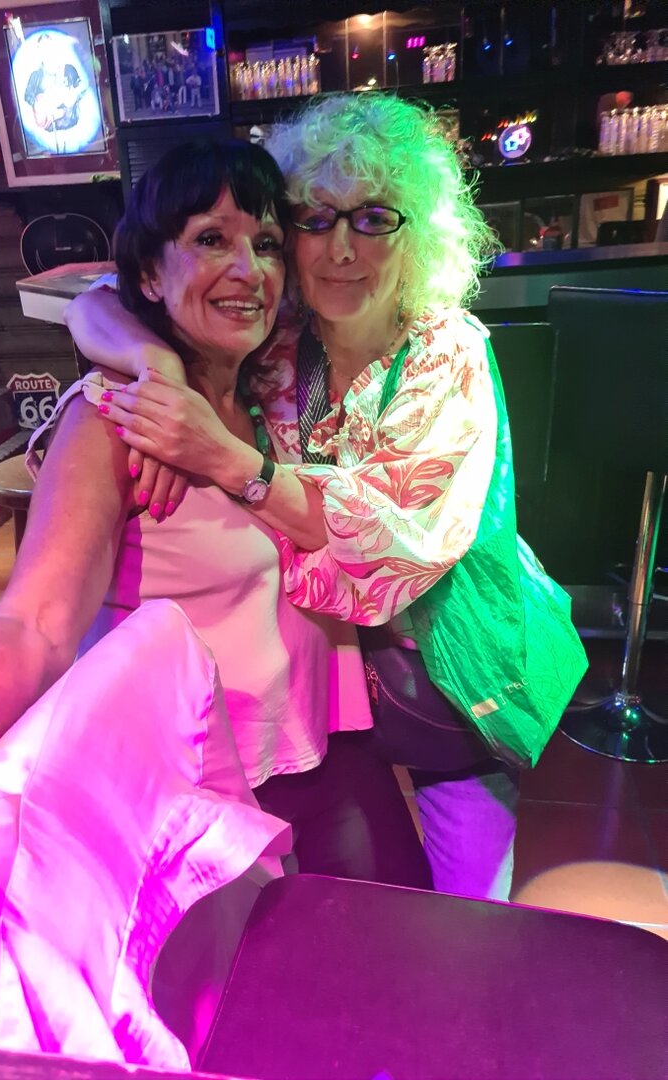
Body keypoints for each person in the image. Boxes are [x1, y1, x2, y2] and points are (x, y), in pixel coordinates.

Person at [0, 140, 430, 1029]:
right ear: (152, 277)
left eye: (266, 244)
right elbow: (36, 619)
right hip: (204, 787)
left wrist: (171, 378)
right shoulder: (114, 417)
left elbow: (97, 305)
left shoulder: (272, 387)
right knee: (262, 1017)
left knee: (392, 974)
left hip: (323, 750)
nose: (248, 269)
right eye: (210, 239)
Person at [64, 92, 583, 902]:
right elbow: (103, 297)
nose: (342, 248)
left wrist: (221, 455)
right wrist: (156, 369)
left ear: (416, 233)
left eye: (373, 218)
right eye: (316, 218)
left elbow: (392, 548)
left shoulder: (447, 353)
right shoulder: (274, 334)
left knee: (466, 910)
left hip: (443, 672)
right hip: (328, 684)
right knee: (345, 901)